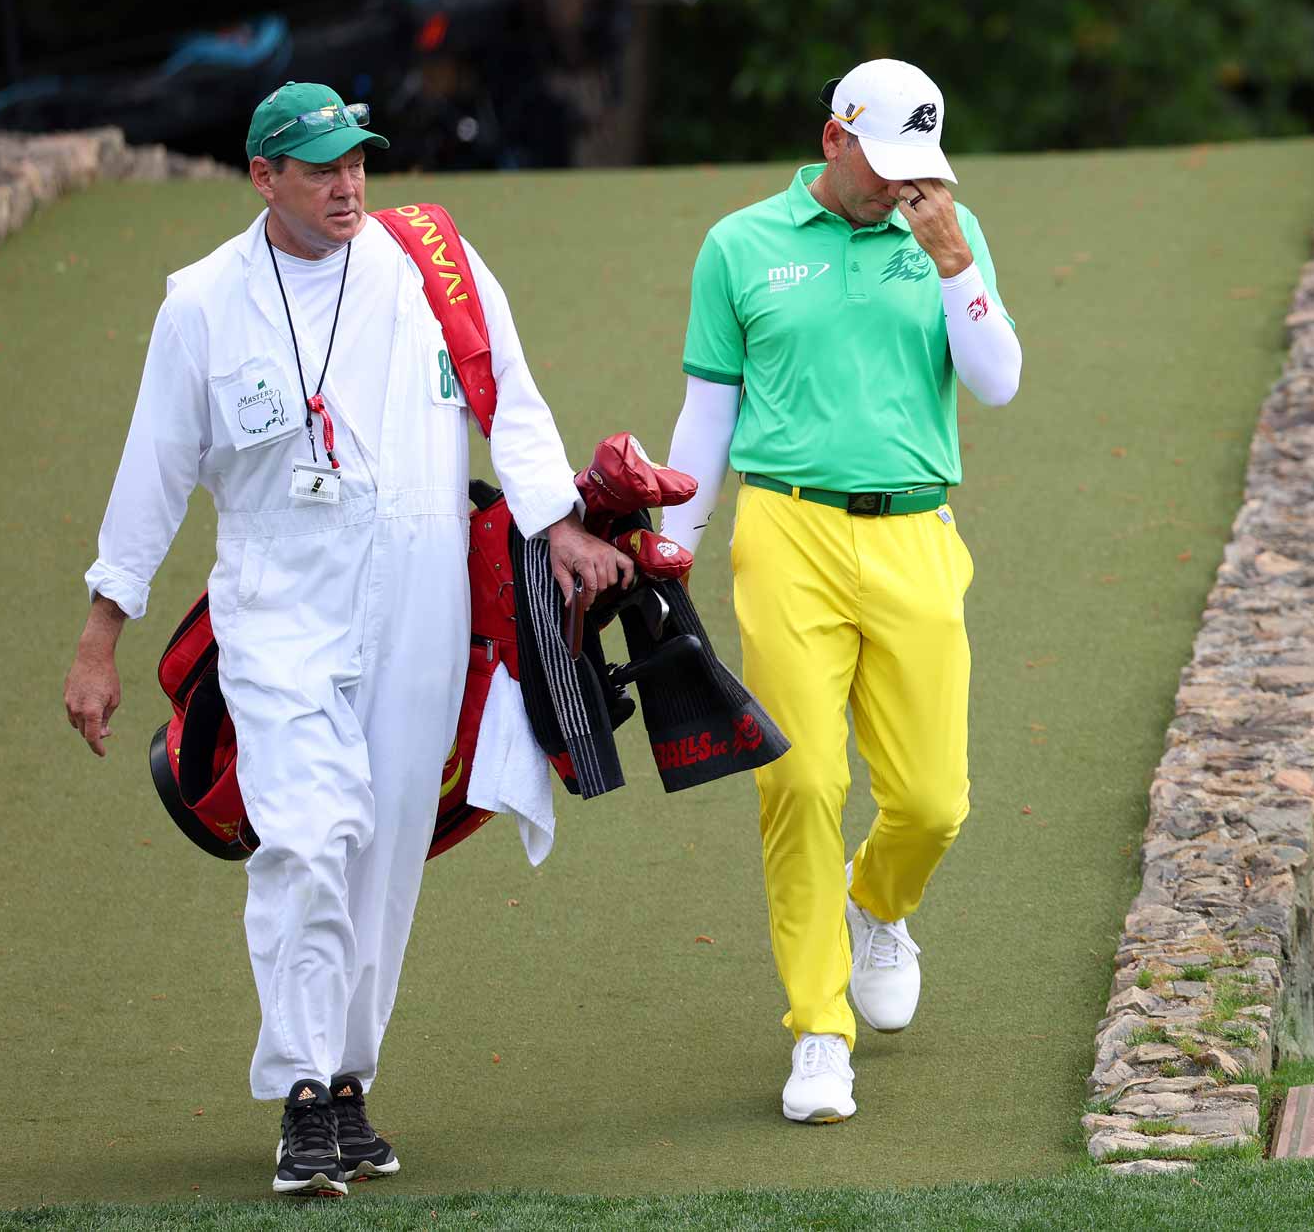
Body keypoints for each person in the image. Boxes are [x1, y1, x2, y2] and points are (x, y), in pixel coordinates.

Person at [61, 82, 631, 1195]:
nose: (346, 185)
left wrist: (556, 523)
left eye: (356, 161)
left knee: (378, 859)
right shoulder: (202, 303)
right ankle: (302, 1093)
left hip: (420, 602)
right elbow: (153, 473)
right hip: (280, 605)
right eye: (319, 167)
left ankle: (348, 1083)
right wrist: (100, 635)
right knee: (306, 838)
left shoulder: (429, 266)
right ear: (262, 176)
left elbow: (507, 399)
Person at [660, 59, 1022, 1123]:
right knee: (802, 780)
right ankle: (819, 1030)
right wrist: (675, 546)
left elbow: (995, 380)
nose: (899, 189)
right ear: (832, 138)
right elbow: (705, 413)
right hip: (786, 530)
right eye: (883, 164)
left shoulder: (943, 233)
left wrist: (952, 258)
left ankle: (877, 901)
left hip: (915, 531)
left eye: (921, 169)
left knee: (929, 802)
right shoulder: (740, 246)